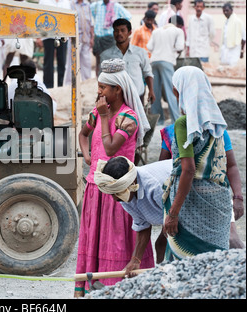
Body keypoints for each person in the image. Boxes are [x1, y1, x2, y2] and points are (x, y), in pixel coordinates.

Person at [74, 58, 153, 297]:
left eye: (103, 87)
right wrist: (87, 156)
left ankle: (115, 289)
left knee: (117, 240)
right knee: (95, 239)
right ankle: (90, 288)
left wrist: (105, 116)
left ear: (117, 89)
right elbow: (83, 134)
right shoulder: (97, 114)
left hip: (118, 192)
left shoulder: (128, 119)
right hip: (95, 188)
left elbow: (109, 149)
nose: (98, 91)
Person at [163, 66, 232, 261]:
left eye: (175, 87)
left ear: (181, 90)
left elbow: (189, 170)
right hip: (218, 202)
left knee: (185, 269)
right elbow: (231, 164)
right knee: (215, 266)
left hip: (191, 202)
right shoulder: (217, 122)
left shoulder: (183, 124)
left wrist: (174, 213)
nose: (174, 92)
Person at [160, 124, 245, 249]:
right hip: (184, 200)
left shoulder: (218, 130)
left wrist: (238, 197)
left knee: (231, 239)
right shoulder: (174, 130)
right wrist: (170, 210)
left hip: (216, 199)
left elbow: (231, 166)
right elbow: (164, 165)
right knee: (180, 243)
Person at [94, 157, 171, 274]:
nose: (115, 198)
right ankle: (162, 277)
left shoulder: (154, 187)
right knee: (161, 244)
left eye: (118, 193)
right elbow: (142, 226)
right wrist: (135, 260)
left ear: (132, 183)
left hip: (188, 199)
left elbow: (175, 217)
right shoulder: (124, 196)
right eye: (112, 194)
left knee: (165, 244)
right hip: (170, 213)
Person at [100, 18, 155, 105]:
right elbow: (102, 79)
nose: (119, 33)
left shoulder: (141, 52)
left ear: (129, 32)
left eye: (122, 30)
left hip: (137, 95)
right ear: (113, 33)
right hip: (115, 99)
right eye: (116, 31)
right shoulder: (105, 56)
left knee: (137, 118)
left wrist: (151, 91)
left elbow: (147, 73)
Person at [147, 15, 184, 125]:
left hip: (154, 61)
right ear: (179, 25)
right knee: (171, 91)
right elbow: (179, 47)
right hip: (167, 61)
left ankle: (158, 120)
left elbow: (149, 47)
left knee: (155, 91)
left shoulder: (156, 31)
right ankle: (176, 119)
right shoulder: (178, 31)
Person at [90, 0, 131, 76]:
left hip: (110, 38)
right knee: (98, 60)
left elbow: (128, 16)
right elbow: (90, 15)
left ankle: (110, 81)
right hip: (98, 38)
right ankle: (99, 81)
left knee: (110, 60)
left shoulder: (116, 6)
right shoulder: (96, 5)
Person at [37, 0, 71, 88]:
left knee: (62, 61)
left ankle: (61, 85)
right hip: (47, 35)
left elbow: (69, 18)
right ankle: (48, 86)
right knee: (48, 62)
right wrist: (38, 37)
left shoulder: (66, 2)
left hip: (63, 35)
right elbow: (38, 17)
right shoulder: (44, 1)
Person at [64, 0, 94, 85]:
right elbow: (68, 20)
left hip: (86, 38)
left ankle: (87, 84)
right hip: (74, 38)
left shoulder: (87, 4)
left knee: (86, 63)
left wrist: (92, 37)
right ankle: (69, 85)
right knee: (71, 63)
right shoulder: (71, 4)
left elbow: (91, 22)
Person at [220, 2, 246, 67]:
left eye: (227, 10)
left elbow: (244, 37)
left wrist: (242, 51)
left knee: (232, 68)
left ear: (231, 10)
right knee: (224, 68)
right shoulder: (226, 22)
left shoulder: (238, 21)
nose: (225, 12)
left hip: (234, 49)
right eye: (224, 11)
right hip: (225, 49)